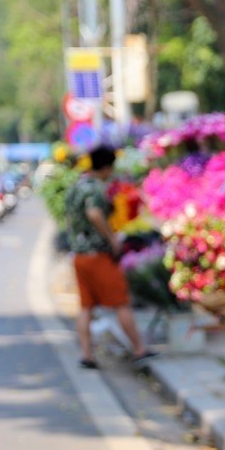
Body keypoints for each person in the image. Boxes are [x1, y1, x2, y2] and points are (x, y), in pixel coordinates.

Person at [63, 146, 153, 369]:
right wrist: (112, 239)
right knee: (121, 302)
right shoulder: (95, 188)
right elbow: (94, 214)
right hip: (98, 256)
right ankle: (140, 350)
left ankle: (87, 355)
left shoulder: (76, 186)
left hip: (79, 256)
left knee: (86, 307)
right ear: (106, 166)